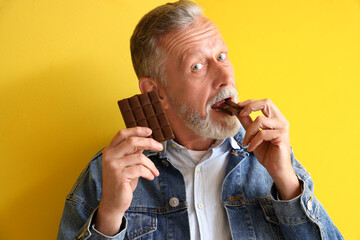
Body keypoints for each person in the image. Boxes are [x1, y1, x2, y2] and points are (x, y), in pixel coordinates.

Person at [57, 1, 343, 239]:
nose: (225, 77)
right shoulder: (107, 176)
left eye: (222, 56)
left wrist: (287, 183)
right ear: (156, 92)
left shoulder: (271, 161)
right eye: (197, 66)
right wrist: (109, 216)